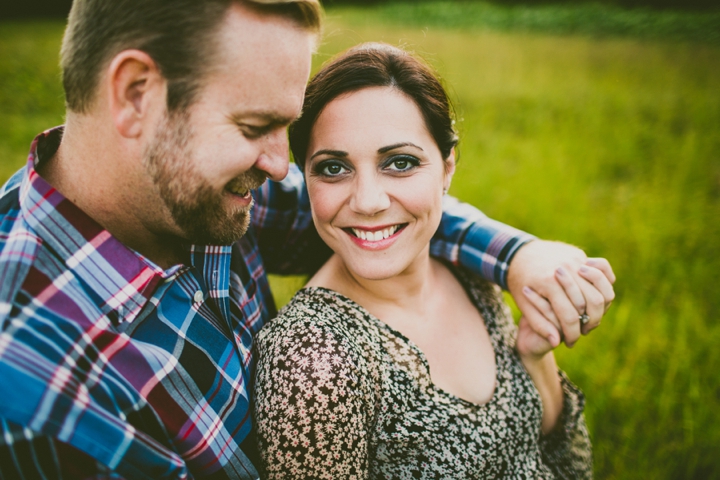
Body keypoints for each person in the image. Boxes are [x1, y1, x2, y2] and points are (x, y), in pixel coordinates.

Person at [0, 1, 613, 478]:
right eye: (256, 126)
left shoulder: (200, 192)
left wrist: (517, 257)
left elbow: (382, 217)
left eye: (287, 129)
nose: (278, 166)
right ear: (137, 95)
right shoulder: (40, 397)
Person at [254, 43, 614, 479]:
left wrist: (534, 357)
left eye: (400, 163)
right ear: (304, 178)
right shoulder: (314, 361)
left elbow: (558, 456)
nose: (368, 202)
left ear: (447, 169)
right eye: (333, 168)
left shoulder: (467, 273)